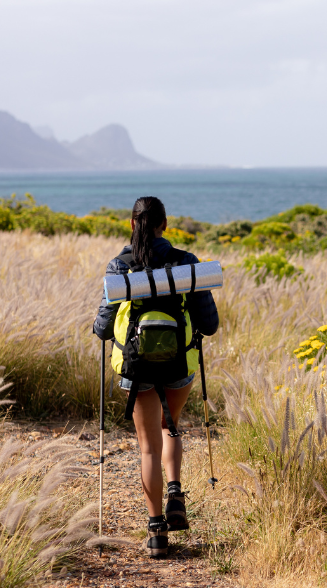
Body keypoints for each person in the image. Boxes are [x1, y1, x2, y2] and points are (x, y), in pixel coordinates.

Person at [92, 196, 218, 558]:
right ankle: (175, 489)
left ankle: (156, 531)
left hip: (137, 366)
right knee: (171, 426)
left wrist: (107, 324)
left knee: (148, 446)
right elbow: (209, 324)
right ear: (165, 224)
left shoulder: (120, 265)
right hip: (179, 363)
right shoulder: (186, 263)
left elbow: (102, 327)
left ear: (133, 225)